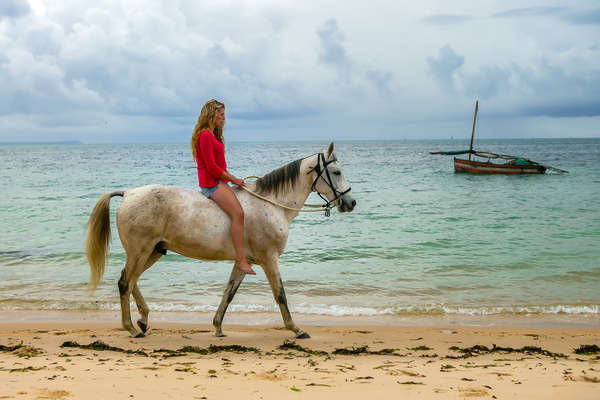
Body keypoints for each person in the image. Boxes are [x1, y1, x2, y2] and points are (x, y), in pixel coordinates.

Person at [190, 99, 256, 275]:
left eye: (224, 115)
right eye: (220, 115)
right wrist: (234, 179)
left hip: (219, 181)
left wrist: (231, 180)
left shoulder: (212, 135)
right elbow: (211, 167)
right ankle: (240, 260)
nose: (223, 119)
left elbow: (218, 166)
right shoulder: (205, 135)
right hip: (211, 184)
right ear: (211, 115)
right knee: (238, 213)